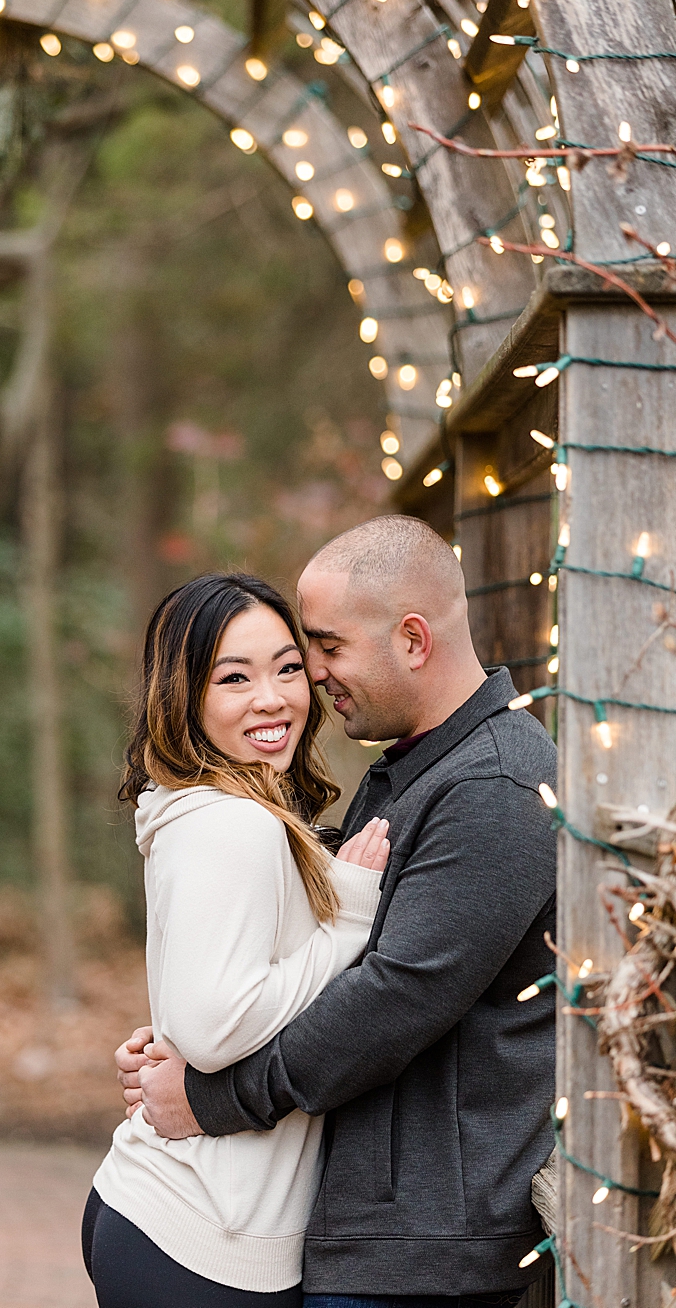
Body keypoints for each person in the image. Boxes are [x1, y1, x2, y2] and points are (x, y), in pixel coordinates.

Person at [119, 515, 558, 1306]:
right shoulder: (414, 770)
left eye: (324, 648)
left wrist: (211, 1098)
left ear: (413, 640)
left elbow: (394, 998)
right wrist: (182, 1031)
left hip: (419, 1250)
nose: (313, 676)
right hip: (364, 1231)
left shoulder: (493, 787)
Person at [85, 571, 393, 1307]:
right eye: (234, 678)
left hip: (175, 1217)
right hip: (201, 1241)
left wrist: (171, 1033)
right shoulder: (234, 825)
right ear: (185, 698)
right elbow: (217, 1028)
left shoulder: (211, 810)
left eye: (287, 668)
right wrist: (350, 921)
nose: (273, 698)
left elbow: (208, 1000)